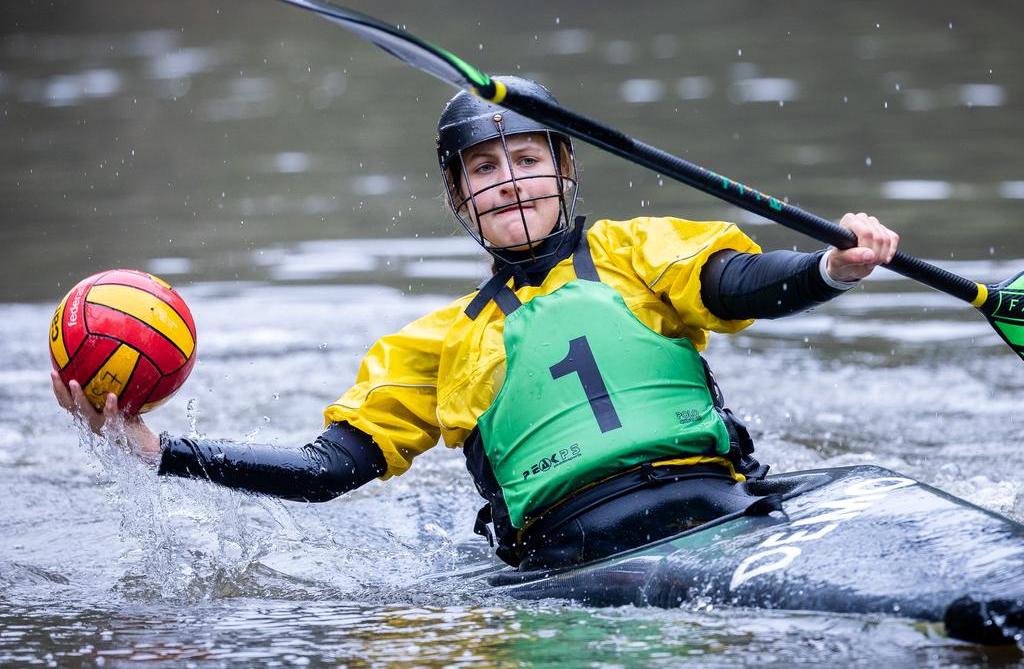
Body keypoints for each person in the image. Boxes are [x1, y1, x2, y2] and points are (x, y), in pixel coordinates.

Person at [53, 76, 899, 570]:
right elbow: (326, 470)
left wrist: (832, 267)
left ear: (564, 171)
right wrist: (163, 455)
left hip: (722, 508)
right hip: (569, 563)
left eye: (528, 159)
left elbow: (740, 282)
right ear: (461, 199)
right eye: (485, 169)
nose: (511, 183)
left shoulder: (642, 251)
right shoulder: (434, 343)